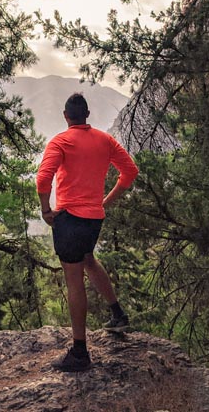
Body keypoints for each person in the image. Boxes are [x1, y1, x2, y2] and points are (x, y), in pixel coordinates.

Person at [36, 93, 139, 372]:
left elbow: (44, 178)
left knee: (74, 279)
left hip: (69, 219)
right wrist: (105, 201)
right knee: (89, 260)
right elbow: (130, 172)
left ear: (66, 116)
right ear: (88, 114)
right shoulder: (105, 141)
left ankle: (80, 352)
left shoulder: (61, 141)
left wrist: (47, 211)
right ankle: (117, 313)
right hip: (94, 219)